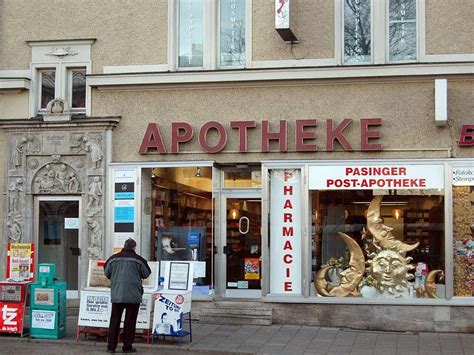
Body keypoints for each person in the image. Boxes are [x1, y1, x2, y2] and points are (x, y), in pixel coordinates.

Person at [104, 238, 151, 353]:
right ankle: (127, 346)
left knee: (114, 320)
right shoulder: (139, 260)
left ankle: (111, 346)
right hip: (133, 296)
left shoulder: (112, 259)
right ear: (134, 247)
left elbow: (107, 273)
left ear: (124, 246)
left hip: (117, 294)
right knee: (130, 322)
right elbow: (146, 273)